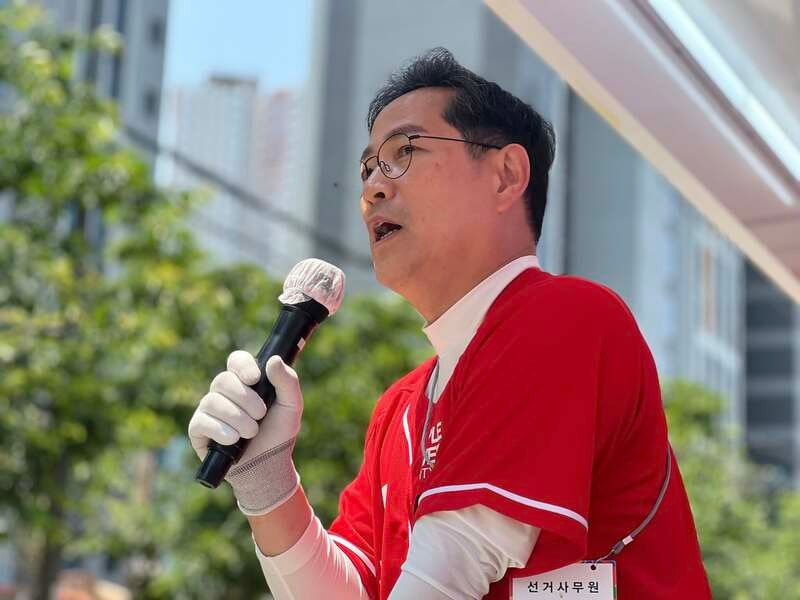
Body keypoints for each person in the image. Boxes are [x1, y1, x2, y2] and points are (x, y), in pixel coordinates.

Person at [188, 48, 711, 599]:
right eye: (368, 168)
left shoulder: (568, 316)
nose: (372, 189)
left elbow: (450, 570)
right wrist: (266, 483)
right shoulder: (400, 407)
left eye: (406, 152)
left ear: (506, 176)